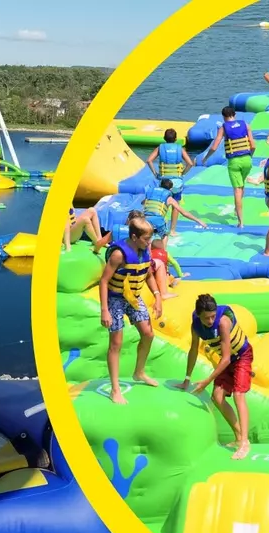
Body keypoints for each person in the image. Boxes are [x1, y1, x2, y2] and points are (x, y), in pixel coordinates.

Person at [178, 294, 254, 460]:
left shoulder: (223, 322)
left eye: (213, 316)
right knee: (217, 397)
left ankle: (245, 443)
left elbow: (226, 358)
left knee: (239, 395)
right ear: (199, 315)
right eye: (207, 318)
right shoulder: (196, 325)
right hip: (227, 361)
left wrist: (206, 381)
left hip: (241, 357)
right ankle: (238, 436)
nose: (211, 321)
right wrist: (187, 379)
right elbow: (193, 350)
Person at [99, 216, 162, 405]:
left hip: (133, 297)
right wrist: (104, 310)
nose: (149, 242)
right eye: (146, 239)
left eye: (150, 238)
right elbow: (103, 281)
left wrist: (158, 296)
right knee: (116, 343)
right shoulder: (119, 255)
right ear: (134, 237)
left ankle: (139, 372)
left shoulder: (146, 251)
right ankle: (115, 389)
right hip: (116, 299)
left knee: (148, 334)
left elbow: (149, 274)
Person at [200, 106, 255, 228]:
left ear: (224, 117)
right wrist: (249, 157)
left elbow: (214, 147)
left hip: (234, 162)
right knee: (242, 185)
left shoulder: (223, 127)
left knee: (237, 189)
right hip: (247, 160)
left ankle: (241, 222)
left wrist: (205, 158)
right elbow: (253, 145)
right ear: (234, 114)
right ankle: (237, 209)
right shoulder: (245, 125)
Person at [146, 129, 195, 235]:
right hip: (177, 183)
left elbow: (149, 160)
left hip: (164, 181)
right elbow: (190, 163)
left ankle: (158, 227)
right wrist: (183, 173)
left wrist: (155, 173)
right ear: (176, 139)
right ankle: (172, 230)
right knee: (175, 205)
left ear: (164, 138)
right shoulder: (180, 149)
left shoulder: (160, 148)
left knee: (161, 203)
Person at [143, 179, 208, 247]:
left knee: (148, 237)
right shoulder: (169, 199)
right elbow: (184, 213)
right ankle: (164, 252)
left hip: (144, 219)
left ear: (160, 185)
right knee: (165, 236)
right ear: (170, 189)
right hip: (158, 221)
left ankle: (147, 249)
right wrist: (198, 221)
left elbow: (143, 203)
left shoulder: (150, 194)